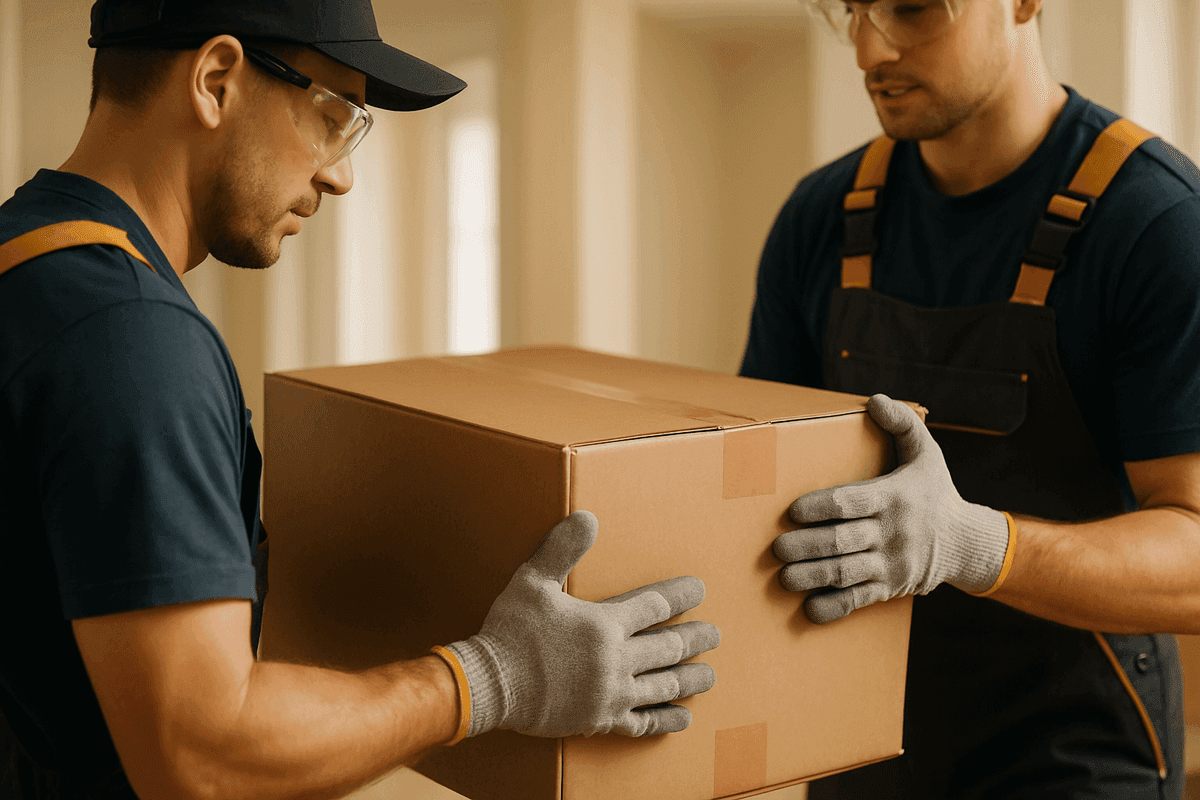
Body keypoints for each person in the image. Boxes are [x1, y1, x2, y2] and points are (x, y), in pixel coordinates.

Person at [0, 2, 721, 798]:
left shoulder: (25, 258)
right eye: (332, 114)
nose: (340, 173)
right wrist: (491, 678)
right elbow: (204, 756)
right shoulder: (131, 338)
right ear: (214, 80)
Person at [742, 0, 1200, 797]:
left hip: (1073, 752)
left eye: (912, 8)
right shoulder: (820, 219)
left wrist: (970, 545)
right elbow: (751, 482)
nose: (868, 51)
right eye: (851, 11)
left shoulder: (1157, 223)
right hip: (858, 743)